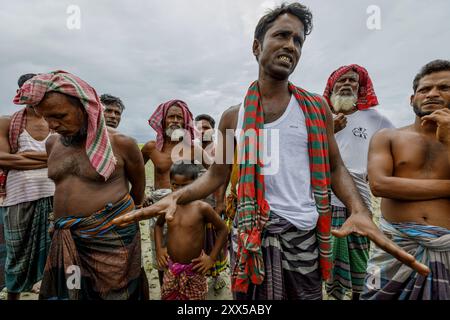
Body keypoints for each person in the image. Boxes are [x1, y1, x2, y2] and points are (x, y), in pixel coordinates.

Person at [114, 2, 428, 300]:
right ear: (256, 47)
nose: (291, 45)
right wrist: (178, 196)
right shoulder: (232, 117)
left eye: (298, 40)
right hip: (250, 238)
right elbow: (217, 174)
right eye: (281, 35)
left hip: (302, 236)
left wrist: (359, 210)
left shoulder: (315, 108)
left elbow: (334, 168)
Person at [13, 70, 148, 300]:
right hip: (67, 241)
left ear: (86, 108)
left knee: (116, 292)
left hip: (110, 241)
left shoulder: (122, 144)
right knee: (73, 289)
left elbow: (138, 190)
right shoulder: (53, 143)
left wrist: (111, 221)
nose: (53, 125)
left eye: (60, 116)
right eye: (46, 118)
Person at [362, 59, 450, 300]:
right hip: (396, 246)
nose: (432, 93)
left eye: (444, 87)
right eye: (424, 89)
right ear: (412, 100)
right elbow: (380, 185)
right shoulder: (388, 136)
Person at [322, 64, 394, 300]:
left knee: (364, 255)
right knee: (328, 255)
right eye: (341, 80)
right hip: (323, 200)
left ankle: (361, 294)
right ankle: (334, 294)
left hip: (360, 200)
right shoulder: (320, 117)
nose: (346, 84)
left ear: (361, 87)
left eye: (352, 80)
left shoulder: (374, 118)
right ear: (331, 86)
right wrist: (329, 130)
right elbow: (303, 150)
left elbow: (397, 145)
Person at [141, 100, 211, 287]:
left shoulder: (194, 149)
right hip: (159, 211)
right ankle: (167, 290)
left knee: (188, 255)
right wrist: (141, 196)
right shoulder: (151, 147)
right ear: (162, 120)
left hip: (188, 210)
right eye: (170, 116)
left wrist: (212, 201)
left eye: (179, 117)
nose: (175, 121)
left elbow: (215, 172)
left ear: (186, 121)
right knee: (162, 257)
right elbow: (136, 171)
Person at [0, 73, 54, 300]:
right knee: (16, 255)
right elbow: (2, 159)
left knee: (53, 256)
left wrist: (24, 158)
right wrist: (47, 159)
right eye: (29, 89)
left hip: (54, 196)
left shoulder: (56, 122)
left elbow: (63, 158)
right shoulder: (8, 122)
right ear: (21, 92)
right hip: (18, 197)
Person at [155, 162, 228, 300]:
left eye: (185, 186)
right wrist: (159, 248)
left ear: (196, 185)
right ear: (170, 183)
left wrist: (211, 258)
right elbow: (158, 226)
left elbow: (223, 229)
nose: (179, 190)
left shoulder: (202, 208)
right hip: (172, 267)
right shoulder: (168, 204)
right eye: (175, 185)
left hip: (195, 270)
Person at [195, 114, 228, 292]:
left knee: (215, 240)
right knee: (199, 241)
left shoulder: (218, 150)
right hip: (196, 205)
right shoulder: (192, 149)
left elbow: (223, 178)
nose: (202, 131)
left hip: (214, 203)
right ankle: (200, 275)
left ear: (213, 131)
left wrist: (221, 201)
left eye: (206, 127)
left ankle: (217, 275)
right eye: (198, 127)